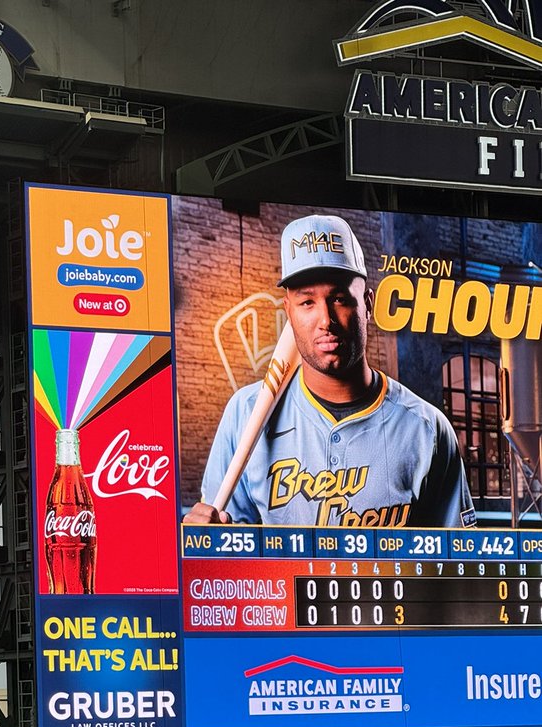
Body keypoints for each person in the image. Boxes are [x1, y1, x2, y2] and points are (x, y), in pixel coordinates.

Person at [186, 214, 475, 530]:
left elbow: (454, 563)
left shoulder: (427, 430)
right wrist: (209, 538)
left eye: (339, 299)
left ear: (367, 304)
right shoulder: (244, 414)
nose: (326, 320)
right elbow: (229, 558)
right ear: (289, 312)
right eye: (307, 302)